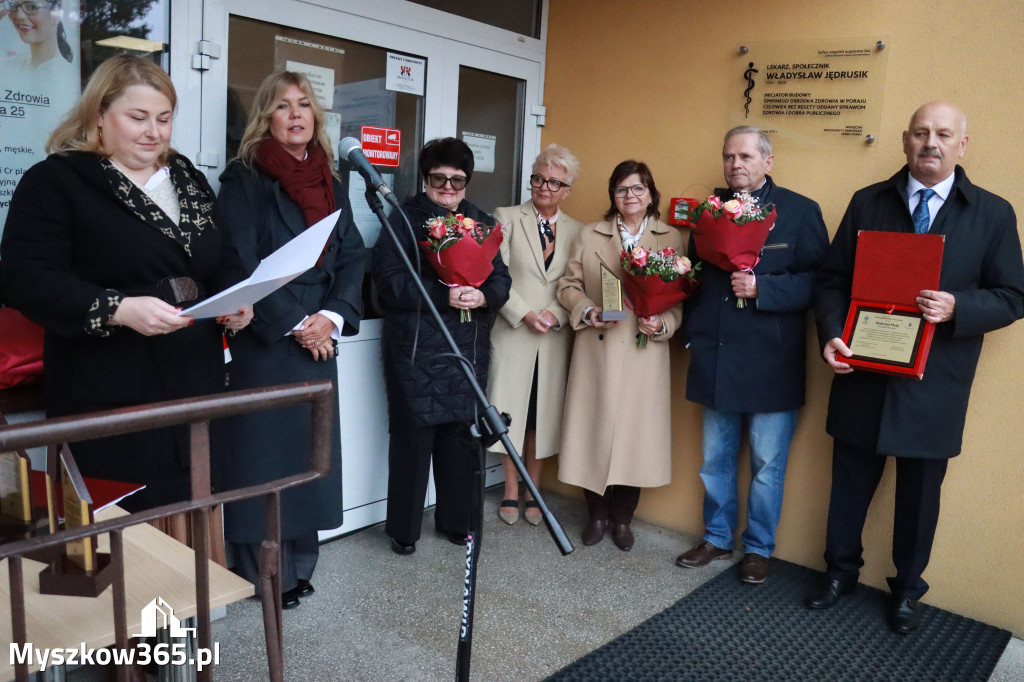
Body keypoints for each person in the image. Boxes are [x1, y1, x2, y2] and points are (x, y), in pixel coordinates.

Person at [808, 101, 1024, 633]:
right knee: (849, 486)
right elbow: (832, 281)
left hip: (936, 385)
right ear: (905, 140)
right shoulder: (867, 203)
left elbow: (1013, 295)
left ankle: (907, 591)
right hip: (864, 375)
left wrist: (959, 308)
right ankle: (839, 573)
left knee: (920, 497)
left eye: (944, 134)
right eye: (922, 132)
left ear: (962, 145)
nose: (932, 142)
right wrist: (832, 334)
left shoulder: (993, 214)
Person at [0, 54, 251, 512]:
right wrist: (117, 308)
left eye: (164, 118)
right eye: (137, 118)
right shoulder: (57, 181)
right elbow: (23, 277)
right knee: (127, 525)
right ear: (99, 115)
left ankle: (191, 585)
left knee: (196, 507)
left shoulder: (188, 178)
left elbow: (222, 258)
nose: (153, 132)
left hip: (195, 379)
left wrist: (238, 300)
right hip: (110, 387)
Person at [213, 71, 366, 609]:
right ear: (266, 117)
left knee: (310, 456)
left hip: (320, 337)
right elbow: (240, 258)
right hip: (269, 339)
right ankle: (263, 572)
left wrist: (330, 315)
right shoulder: (244, 177)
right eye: (283, 106)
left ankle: (299, 567)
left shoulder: (330, 180)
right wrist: (297, 322)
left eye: (304, 105)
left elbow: (352, 255)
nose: (296, 114)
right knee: (264, 456)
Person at [675, 127, 828, 584]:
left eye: (745, 156)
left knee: (766, 464)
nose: (735, 164)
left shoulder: (800, 211)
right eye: (728, 156)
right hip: (717, 355)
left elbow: (823, 282)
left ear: (768, 161)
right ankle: (717, 537)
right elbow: (694, 279)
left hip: (772, 360)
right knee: (714, 459)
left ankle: (758, 548)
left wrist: (766, 287)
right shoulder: (707, 212)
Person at [373, 137, 511, 555]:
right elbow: (388, 284)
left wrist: (483, 296)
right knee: (413, 442)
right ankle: (404, 529)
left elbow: (500, 279)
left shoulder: (480, 221)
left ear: (468, 182)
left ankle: (457, 521)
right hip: (416, 350)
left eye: (457, 180)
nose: (448, 188)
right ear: (425, 178)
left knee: (461, 440)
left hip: (466, 347)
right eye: (439, 179)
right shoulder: (402, 218)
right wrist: (442, 295)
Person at [556, 160, 684, 551]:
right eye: (622, 189)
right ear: (613, 195)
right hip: (599, 348)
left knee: (635, 438)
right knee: (594, 432)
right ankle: (596, 515)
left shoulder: (671, 238)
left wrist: (662, 323)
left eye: (638, 189)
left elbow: (682, 298)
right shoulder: (589, 234)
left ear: (651, 194)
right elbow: (567, 286)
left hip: (645, 353)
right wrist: (588, 311)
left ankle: (623, 520)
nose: (630, 196)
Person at [488, 144, 583, 526]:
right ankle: (511, 489)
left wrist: (557, 315)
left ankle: (534, 489)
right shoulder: (506, 217)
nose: (544, 187)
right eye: (538, 178)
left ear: (567, 190)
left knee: (541, 416)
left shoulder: (579, 230)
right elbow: (496, 274)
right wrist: (524, 313)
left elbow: (575, 282)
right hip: (514, 332)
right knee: (511, 413)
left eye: (554, 182)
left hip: (554, 336)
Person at [1, 0, 73, 71]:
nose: (19, 16)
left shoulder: (62, 70)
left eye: (32, 7)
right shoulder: (13, 65)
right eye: (13, 5)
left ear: (56, 14)